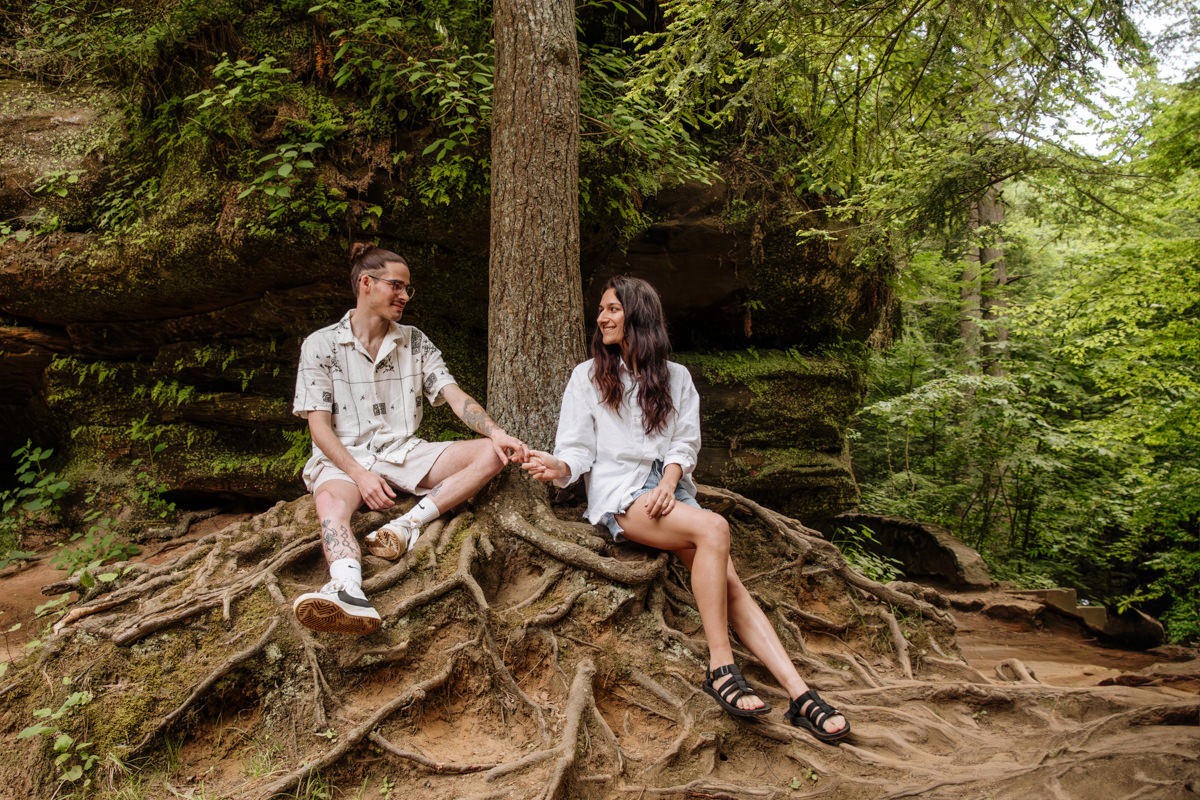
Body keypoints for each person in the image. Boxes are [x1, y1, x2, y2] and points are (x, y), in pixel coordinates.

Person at [521, 276, 850, 743]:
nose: (603, 318)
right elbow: (576, 451)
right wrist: (555, 466)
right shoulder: (587, 376)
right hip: (622, 496)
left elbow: (683, 443)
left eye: (613, 309)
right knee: (714, 528)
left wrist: (672, 484)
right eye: (601, 310)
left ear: (639, 314)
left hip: (671, 492)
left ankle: (800, 695)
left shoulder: (675, 377)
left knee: (731, 583)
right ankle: (721, 666)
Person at [291, 243, 528, 635]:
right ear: (366, 283)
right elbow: (319, 428)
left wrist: (496, 432)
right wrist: (361, 476)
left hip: (402, 451)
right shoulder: (321, 345)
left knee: (492, 454)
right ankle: (346, 588)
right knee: (331, 504)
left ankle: (405, 527)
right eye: (396, 286)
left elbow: (454, 396)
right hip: (342, 458)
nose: (404, 296)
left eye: (407, 289)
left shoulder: (414, 341)